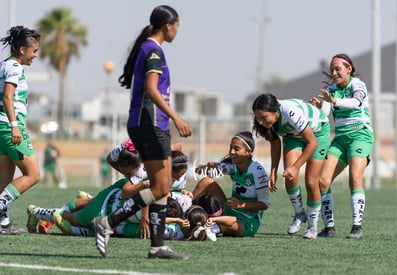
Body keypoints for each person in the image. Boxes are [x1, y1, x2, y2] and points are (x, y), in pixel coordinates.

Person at [92, 5, 192, 260]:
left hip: (155, 125)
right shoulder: (154, 51)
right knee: (160, 188)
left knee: (162, 186)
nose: (178, 31)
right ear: (167, 25)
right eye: (177, 26)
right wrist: (176, 117)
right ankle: (108, 222)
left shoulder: (149, 49)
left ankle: (157, 246)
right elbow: (151, 88)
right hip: (148, 125)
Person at [309, 53, 374, 239]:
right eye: (332, 69)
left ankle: (357, 227)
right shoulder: (331, 89)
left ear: (349, 69)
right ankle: (329, 228)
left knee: (355, 177)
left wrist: (333, 101)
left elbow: (355, 102)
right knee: (323, 181)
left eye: (338, 68)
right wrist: (319, 107)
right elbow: (326, 112)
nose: (335, 72)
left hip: (360, 135)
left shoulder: (358, 85)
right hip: (340, 139)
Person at [252, 93, 330, 239]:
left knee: (311, 181)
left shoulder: (290, 113)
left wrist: (295, 167)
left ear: (275, 112)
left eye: (263, 117)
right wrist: (273, 171)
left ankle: (313, 227)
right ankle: (300, 214)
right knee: (289, 178)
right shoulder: (263, 121)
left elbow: (312, 143)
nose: (260, 122)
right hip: (293, 135)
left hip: (318, 133)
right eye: (257, 118)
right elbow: (275, 143)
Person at [0, 26, 41, 234]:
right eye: (34, 51)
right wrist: (15, 125)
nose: (35, 55)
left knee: (5, 178)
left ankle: (3, 224)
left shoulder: (4, 64)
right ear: (22, 50)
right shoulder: (15, 67)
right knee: (33, 174)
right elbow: (7, 96)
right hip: (8, 127)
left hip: (1, 127)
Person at [192, 131, 270, 237]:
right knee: (207, 181)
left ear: (248, 152)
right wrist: (207, 167)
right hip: (230, 210)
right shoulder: (233, 166)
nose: (231, 152)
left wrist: (241, 205)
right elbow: (199, 172)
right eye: (231, 148)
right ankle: (187, 214)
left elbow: (264, 204)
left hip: (248, 221)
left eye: (236, 149)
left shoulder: (257, 172)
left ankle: (212, 228)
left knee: (233, 225)